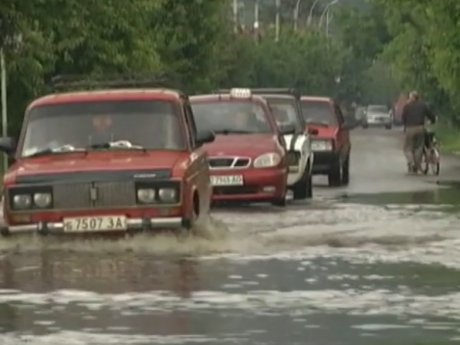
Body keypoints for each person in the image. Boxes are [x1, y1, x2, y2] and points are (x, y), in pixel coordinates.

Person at [401, 90, 436, 173]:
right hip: (420, 128)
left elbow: (403, 118)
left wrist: (405, 125)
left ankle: (411, 162)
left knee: (407, 148)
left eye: (409, 97)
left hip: (410, 128)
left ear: (412, 98)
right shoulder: (423, 105)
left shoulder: (407, 106)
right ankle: (417, 165)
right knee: (419, 147)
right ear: (417, 98)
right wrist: (433, 120)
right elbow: (430, 115)